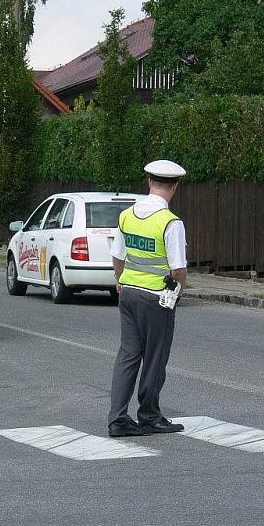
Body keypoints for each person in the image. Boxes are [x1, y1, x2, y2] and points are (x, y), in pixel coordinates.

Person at [107, 159, 188, 438]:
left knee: (128, 355)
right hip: (156, 298)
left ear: (149, 183)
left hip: (127, 292)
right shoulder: (170, 222)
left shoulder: (126, 215)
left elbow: (118, 257)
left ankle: (117, 419)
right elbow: (178, 269)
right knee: (155, 357)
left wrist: (120, 281)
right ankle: (150, 416)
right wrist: (175, 292)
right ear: (174, 187)